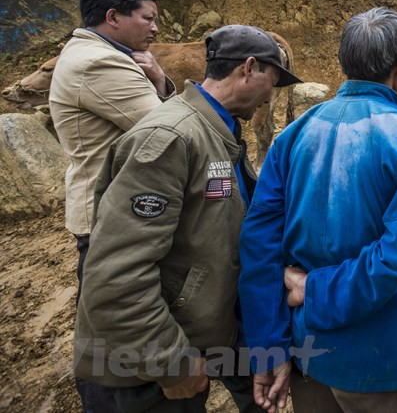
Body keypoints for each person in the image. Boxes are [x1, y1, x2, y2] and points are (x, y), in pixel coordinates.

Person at [72, 24, 300, 412]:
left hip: (209, 328)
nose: (270, 97)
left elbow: (219, 231)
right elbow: (115, 273)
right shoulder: (169, 138)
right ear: (249, 69)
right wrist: (170, 361)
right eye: (273, 81)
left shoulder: (218, 129)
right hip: (161, 355)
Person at [238, 7, 397, 412]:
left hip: (307, 352)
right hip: (381, 361)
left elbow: (258, 245)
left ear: (343, 62)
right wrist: (313, 289)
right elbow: (393, 260)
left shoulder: (294, 134)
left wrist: (267, 349)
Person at [49, 0, 175, 412]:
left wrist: (158, 77)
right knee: (109, 333)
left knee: (108, 324)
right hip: (108, 215)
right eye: (148, 18)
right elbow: (166, 131)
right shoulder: (98, 63)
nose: (155, 27)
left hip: (112, 208)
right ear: (113, 17)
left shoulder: (96, 54)